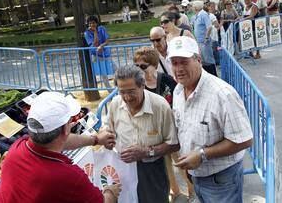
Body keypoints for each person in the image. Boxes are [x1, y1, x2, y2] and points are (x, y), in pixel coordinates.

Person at [167, 36, 253, 203]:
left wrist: (202, 154)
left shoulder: (222, 94)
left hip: (222, 181)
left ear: (198, 60)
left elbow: (244, 139)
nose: (178, 69)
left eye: (184, 62)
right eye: (174, 63)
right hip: (195, 176)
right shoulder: (178, 90)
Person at [0, 92, 121, 203]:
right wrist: (110, 192)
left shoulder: (17, 147)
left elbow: (62, 141)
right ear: (66, 128)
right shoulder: (68, 177)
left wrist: (95, 139)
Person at [108, 65, 179, 203]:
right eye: (122, 92)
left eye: (131, 91)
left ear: (142, 86)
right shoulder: (115, 103)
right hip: (123, 169)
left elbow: (174, 144)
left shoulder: (160, 106)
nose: (127, 97)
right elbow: (108, 130)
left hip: (152, 171)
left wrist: (147, 152)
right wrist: (105, 136)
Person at [133, 47, 195, 201]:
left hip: (173, 130)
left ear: (154, 65)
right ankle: (174, 192)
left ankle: (192, 192)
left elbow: (182, 99)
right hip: (153, 134)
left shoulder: (167, 80)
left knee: (182, 162)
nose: (139, 70)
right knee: (166, 167)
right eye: (136, 66)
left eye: (143, 66)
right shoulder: (137, 86)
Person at [84, 15, 114, 90]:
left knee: (116, 70)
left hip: (106, 54)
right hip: (96, 55)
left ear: (97, 23)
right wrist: (95, 33)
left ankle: (118, 88)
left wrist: (102, 46)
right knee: (104, 76)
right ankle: (110, 93)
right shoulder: (87, 33)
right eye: (90, 23)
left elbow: (107, 40)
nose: (92, 25)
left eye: (93, 23)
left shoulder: (102, 29)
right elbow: (94, 44)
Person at [192, 1, 217, 76]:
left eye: (193, 6)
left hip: (204, 41)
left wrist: (206, 37)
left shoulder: (203, 14)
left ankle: (213, 75)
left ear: (196, 7)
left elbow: (209, 27)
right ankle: (208, 76)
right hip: (200, 41)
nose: (192, 8)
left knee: (208, 60)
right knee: (204, 60)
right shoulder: (198, 15)